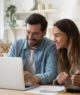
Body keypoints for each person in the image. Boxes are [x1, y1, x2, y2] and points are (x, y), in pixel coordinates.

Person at [8, 13, 58, 85]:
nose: (30, 37)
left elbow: (52, 74)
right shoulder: (16, 45)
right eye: (28, 32)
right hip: (17, 86)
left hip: (39, 88)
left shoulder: (50, 46)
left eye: (35, 33)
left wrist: (35, 79)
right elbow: (8, 69)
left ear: (44, 33)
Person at [52, 19, 80, 86]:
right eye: (53, 35)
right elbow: (70, 81)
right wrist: (59, 80)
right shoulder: (62, 53)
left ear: (69, 36)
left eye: (57, 35)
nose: (53, 40)